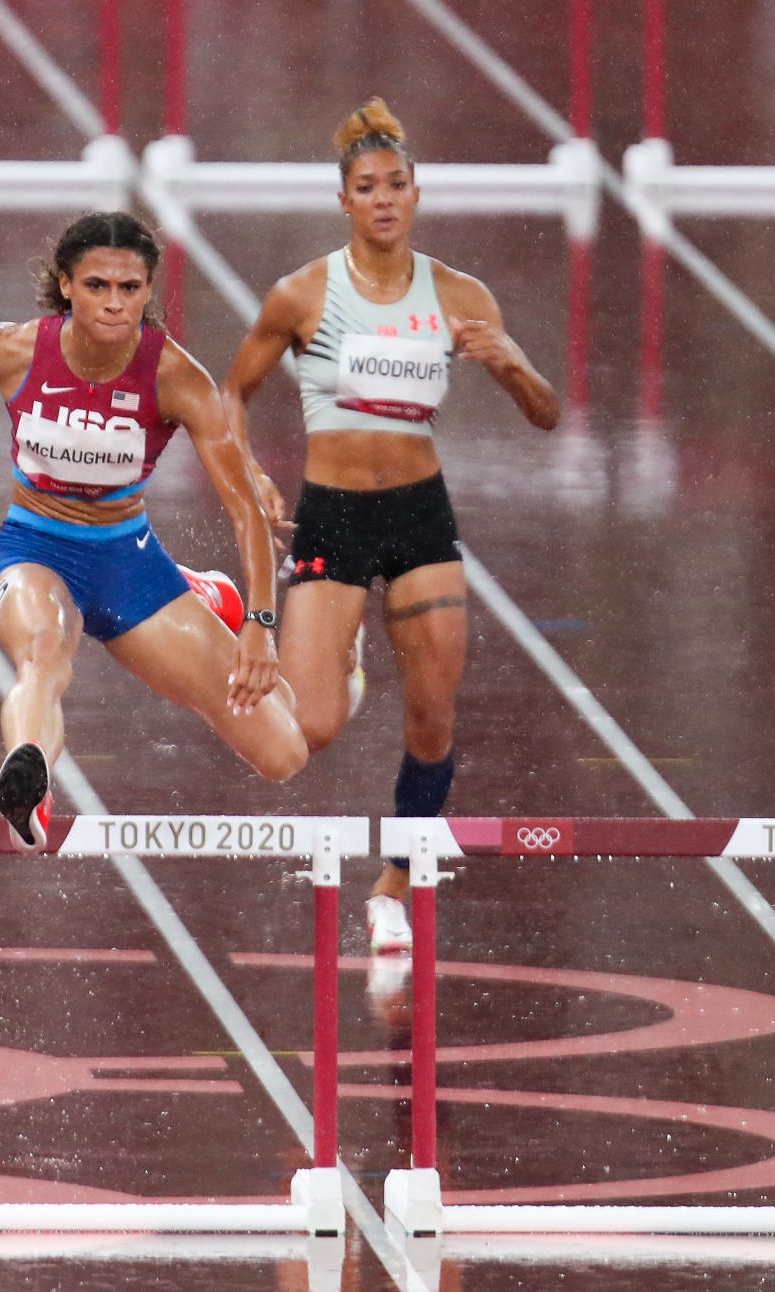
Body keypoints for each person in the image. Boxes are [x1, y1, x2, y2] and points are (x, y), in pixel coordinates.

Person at [0, 212, 308, 848]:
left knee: (283, 753)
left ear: (148, 291)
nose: (113, 303)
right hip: (33, 548)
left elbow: (244, 510)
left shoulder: (176, 378)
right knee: (44, 653)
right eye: (98, 286)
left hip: (129, 565)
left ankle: (200, 590)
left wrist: (260, 626)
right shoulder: (12, 348)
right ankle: (31, 775)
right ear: (67, 286)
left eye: (130, 289)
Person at [220, 100, 560, 951]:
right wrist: (252, 473)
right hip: (333, 513)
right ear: (343, 201)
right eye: (366, 187)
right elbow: (230, 394)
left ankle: (393, 888)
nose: (383, 199)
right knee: (310, 728)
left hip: (418, 516)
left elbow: (545, 415)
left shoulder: (460, 296)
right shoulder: (301, 295)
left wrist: (516, 367)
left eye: (397, 185)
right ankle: (344, 661)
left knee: (435, 716)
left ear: (417, 194)